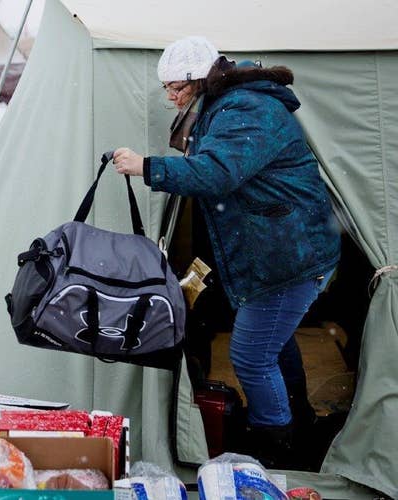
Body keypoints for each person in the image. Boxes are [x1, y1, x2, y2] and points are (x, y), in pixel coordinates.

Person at [112, 36, 341, 467]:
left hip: (289, 256)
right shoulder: (228, 105)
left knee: (251, 357)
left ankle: (277, 444)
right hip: (280, 251)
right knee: (272, 344)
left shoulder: (245, 109)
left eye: (176, 87)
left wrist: (147, 167)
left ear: (201, 80)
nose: (170, 97)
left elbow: (217, 173)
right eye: (166, 89)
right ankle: (299, 422)